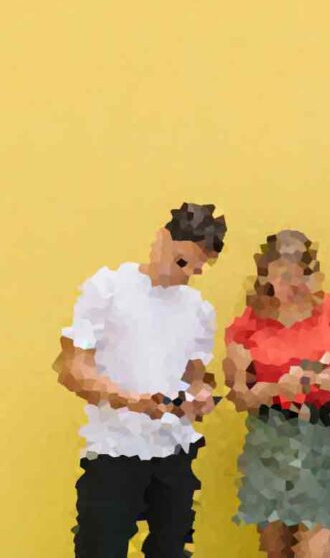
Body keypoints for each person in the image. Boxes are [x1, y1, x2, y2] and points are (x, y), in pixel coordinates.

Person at [55, 202, 226, 557]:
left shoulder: (198, 309)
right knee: (101, 547)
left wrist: (200, 397)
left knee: (171, 548)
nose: (185, 274)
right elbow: (72, 368)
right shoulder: (108, 288)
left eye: (197, 269)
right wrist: (128, 400)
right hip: (115, 448)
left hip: (174, 450)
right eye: (181, 261)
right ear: (161, 239)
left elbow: (196, 377)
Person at [224, 230, 330, 558]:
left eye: (301, 274)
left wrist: (324, 380)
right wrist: (275, 389)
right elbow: (238, 395)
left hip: (321, 436)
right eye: (284, 276)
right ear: (266, 276)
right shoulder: (247, 325)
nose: (293, 284)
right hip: (269, 437)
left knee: (319, 547)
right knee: (277, 549)